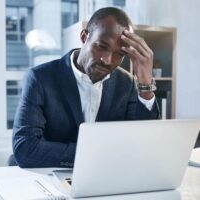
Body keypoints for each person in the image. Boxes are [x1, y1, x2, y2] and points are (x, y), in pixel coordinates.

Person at [12, 7, 160, 168]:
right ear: (84, 37)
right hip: (53, 177)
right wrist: (94, 155)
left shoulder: (127, 83)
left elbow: (142, 144)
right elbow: (25, 149)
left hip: (106, 180)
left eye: (119, 54)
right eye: (102, 46)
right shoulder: (40, 78)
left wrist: (146, 84)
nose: (108, 60)